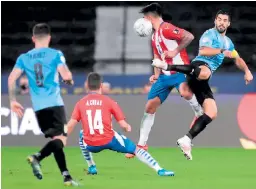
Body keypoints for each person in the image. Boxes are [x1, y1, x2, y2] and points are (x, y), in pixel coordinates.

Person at [152, 10, 254, 160]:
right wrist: (221, 51)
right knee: (205, 73)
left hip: (202, 80)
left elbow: (236, 58)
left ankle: (187, 139)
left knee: (212, 112)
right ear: (215, 21)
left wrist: (246, 71)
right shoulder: (209, 34)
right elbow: (204, 51)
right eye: (219, 19)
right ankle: (167, 67)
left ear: (229, 24)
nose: (221, 22)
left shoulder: (228, 43)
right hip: (198, 67)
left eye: (225, 20)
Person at [126, 3, 203, 158]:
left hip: (179, 71)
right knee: (149, 106)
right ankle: (141, 145)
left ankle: (199, 112)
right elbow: (156, 58)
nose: (143, 20)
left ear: (149, 17)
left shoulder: (166, 28)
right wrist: (156, 75)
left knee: (185, 92)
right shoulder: (154, 36)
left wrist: (175, 50)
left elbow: (189, 36)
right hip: (164, 76)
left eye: (143, 17)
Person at [8, 23, 78, 186]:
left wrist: (12, 101)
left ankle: (66, 176)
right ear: (49, 38)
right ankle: (37, 157)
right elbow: (66, 75)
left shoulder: (24, 58)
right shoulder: (55, 54)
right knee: (62, 139)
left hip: (39, 108)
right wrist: (68, 80)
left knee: (56, 139)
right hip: (54, 104)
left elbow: (11, 78)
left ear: (33, 38)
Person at [66, 72, 175, 177]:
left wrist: (62, 138)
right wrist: (127, 127)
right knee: (136, 150)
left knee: (81, 135)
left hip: (91, 144)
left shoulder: (80, 103)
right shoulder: (109, 101)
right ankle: (159, 169)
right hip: (109, 140)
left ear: (87, 86)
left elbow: (71, 125)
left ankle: (91, 166)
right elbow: (123, 125)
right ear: (101, 85)